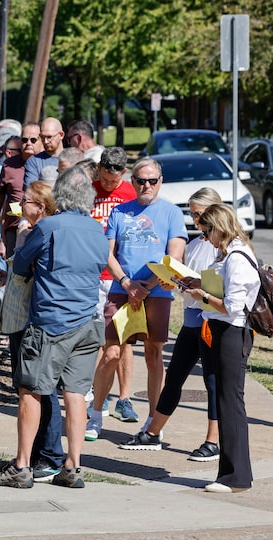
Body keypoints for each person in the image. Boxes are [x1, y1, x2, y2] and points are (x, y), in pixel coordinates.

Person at [0, 166, 108, 489]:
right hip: (87, 323)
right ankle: (73, 465)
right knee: (76, 395)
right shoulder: (98, 230)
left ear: (60, 195)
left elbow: (22, 262)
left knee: (30, 390)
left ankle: (22, 465)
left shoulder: (50, 227)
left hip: (51, 322)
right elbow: (101, 266)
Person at [86, 157, 186, 441]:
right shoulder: (120, 212)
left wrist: (147, 285)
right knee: (112, 353)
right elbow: (107, 253)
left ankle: (153, 420)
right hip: (121, 290)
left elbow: (175, 256)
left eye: (152, 180)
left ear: (160, 181)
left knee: (154, 354)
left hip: (157, 292)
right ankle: (94, 416)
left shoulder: (171, 213)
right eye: (141, 180)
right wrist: (127, 283)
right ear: (133, 182)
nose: (146, 185)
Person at [120, 188, 221, 458]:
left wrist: (195, 286)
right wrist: (173, 281)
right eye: (192, 214)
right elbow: (187, 277)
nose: (195, 220)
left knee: (213, 381)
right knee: (174, 377)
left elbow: (219, 290)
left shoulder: (222, 247)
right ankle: (153, 432)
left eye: (199, 215)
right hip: (191, 320)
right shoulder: (197, 243)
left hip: (212, 322)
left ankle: (213, 441)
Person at [179, 204, 260, 492]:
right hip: (220, 330)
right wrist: (197, 283)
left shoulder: (237, 256)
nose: (206, 236)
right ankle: (230, 474)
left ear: (220, 227)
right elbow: (222, 289)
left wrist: (202, 295)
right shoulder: (227, 253)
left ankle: (235, 476)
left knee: (230, 402)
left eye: (208, 230)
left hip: (231, 332)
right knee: (227, 401)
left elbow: (232, 306)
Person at [0, 180, 65, 483]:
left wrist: (23, 238)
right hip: (19, 319)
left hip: (33, 319)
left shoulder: (42, 232)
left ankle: (49, 456)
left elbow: (30, 269)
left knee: (40, 388)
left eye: (26, 201)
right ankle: (38, 451)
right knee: (28, 389)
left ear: (40, 207)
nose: (20, 204)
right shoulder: (31, 230)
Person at [86, 147, 137, 427]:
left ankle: (124, 398)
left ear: (123, 173)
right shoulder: (88, 191)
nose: (107, 185)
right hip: (92, 275)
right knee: (97, 338)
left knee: (123, 339)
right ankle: (99, 393)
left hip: (120, 275)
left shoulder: (131, 193)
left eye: (112, 181)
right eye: (103, 179)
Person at [0, 123, 43, 257]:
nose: (28, 143)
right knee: (13, 274)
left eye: (33, 140)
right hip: (13, 230)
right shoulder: (9, 165)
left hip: (41, 230)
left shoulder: (50, 163)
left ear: (41, 141)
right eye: (24, 140)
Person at [24, 117, 64, 188]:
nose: (45, 141)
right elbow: (31, 191)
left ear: (61, 135)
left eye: (49, 137)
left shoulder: (73, 157)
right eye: (42, 137)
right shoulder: (34, 162)